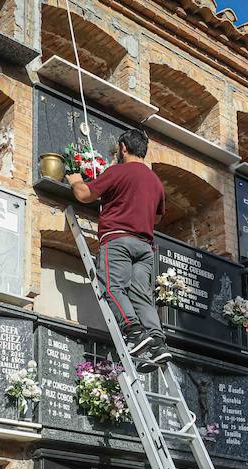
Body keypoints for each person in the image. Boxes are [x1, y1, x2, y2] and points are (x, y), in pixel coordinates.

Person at [68, 128, 169, 367]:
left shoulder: (118, 172)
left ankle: (133, 332)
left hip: (118, 240)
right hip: (145, 248)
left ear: (123, 148)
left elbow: (84, 195)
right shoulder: (156, 183)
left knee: (112, 287)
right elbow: (157, 219)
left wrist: (74, 180)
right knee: (142, 296)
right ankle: (157, 341)